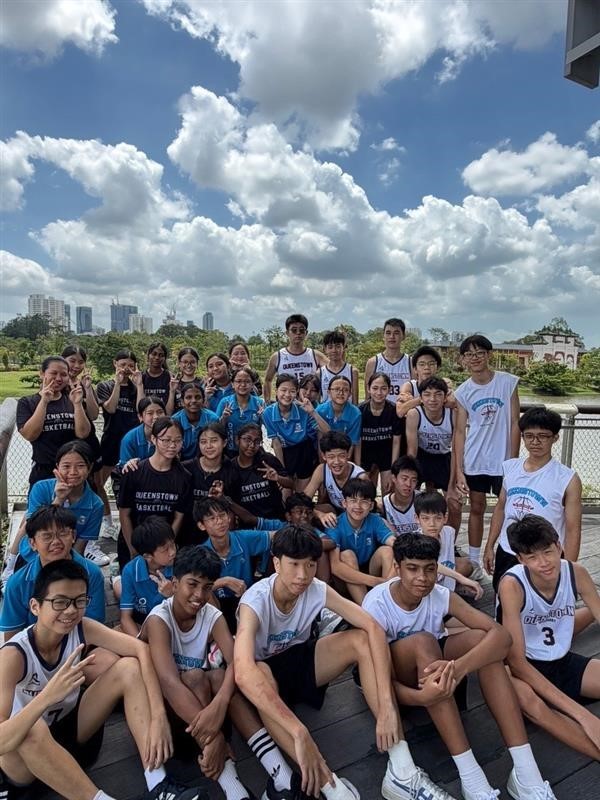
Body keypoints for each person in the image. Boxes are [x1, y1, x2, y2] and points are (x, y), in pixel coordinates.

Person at [234, 525, 454, 800]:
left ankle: (403, 769)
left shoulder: (315, 588)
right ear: (277, 563)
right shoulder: (255, 600)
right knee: (260, 672)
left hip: (299, 665)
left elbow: (373, 627)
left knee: (360, 639)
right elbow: (243, 673)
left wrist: (387, 704)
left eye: (310, 564)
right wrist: (298, 731)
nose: (303, 574)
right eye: (294, 564)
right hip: (261, 683)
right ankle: (334, 789)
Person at [363, 533, 557, 800]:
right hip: (395, 686)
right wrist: (421, 697)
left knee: (484, 643)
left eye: (429, 569)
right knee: (423, 641)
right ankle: (471, 776)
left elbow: (501, 636)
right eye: (412, 569)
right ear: (396, 568)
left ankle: (526, 772)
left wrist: (458, 669)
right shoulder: (376, 604)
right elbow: (375, 679)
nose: (422, 577)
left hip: (437, 672)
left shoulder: (440, 594)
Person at [0, 558, 204, 800]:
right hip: (24, 766)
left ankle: (158, 785)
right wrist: (46, 697)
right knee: (32, 727)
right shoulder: (14, 656)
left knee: (129, 667)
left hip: (72, 735)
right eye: (60, 602)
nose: (70, 610)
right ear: (35, 606)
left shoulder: (81, 628)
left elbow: (142, 649)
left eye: (79, 601)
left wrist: (158, 716)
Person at [141, 546, 296, 800]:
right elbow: (169, 683)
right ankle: (233, 788)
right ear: (175, 583)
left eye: (207, 587)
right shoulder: (159, 619)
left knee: (220, 677)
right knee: (195, 677)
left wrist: (221, 700)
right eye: (192, 584)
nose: (199, 595)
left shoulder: (211, 615)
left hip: (205, 716)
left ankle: (282, 777)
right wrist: (215, 738)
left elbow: (237, 662)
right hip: (167, 723)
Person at [497, 515, 600, 762]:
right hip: (525, 669)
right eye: (532, 557)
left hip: (561, 660)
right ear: (521, 559)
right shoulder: (512, 585)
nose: (543, 563)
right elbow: (517, 663)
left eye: (548, 552)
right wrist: (584, 716)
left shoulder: (576, 572)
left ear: (559, 545)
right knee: (533, 705)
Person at [483, 406, 582, 592]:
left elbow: (573, 529)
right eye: (529, 436)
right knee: (504, 600)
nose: (535, 442)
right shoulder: (510, 468)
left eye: (543, 436)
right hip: (509, 550)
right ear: (522, 437)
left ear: (555, 438)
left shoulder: (567, 479)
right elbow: (501, 508)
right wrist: (489, 546)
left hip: (544, 557)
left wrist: (568, 570)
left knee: (543, 603)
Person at [454, 335, 520, 569]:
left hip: (503, 460)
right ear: (463, 359)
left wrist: (513, 462)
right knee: (476, 508)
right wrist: (459, 470)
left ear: (489, 354)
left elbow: (515, 422)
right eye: (469, 354)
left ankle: (507, 555)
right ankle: (474, 560)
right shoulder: (463, 392)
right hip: (475, 459)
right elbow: (459, 431)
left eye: (480, 353)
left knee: (509, 509)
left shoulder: (507, 382)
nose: (475, 358)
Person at [0, 506, 105, 640]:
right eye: (47, 536)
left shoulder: (92, 574)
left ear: (73, 536)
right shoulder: (18, 583)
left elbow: (95, 626)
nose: (56, 542)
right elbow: (12, 636)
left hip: (80, 644)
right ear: (32, 543)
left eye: (63, 534)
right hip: (35, 647)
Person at [8, 441, 107, 571]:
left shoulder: (96, 505)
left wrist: (69, 571)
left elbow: (79, 547)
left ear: (90, 468)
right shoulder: (41, 488)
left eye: (80, 466)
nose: (73, 472)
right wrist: (59, 499)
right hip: (31, 555)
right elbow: (34, 527)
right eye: (66, 466)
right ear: (57, 467)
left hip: (64, 558)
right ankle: (9, 567)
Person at [117, 417, 191, 570]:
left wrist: (166, 549)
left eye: (177, 441)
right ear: (153, 439)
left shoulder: (184, 477)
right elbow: (124, 514)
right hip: (134, 544)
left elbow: (178, 517)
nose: (172, 445)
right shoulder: (134, 471)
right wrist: (133, 550)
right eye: (166, 440)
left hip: (165, 552)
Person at [194, 497, 274, 632]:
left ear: (229, 517)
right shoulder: (199, 554)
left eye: (222, 515)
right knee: (206, 595)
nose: (219, 521)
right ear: (202, 525)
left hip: (247, 601)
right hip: (216, 608)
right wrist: (224, 582)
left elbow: (276, 536)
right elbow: (195, 590)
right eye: (212, 518)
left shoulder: (242, 538)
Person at [17, 356, 92, 487]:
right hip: (44, 468)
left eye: (64, 374)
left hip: (72, 470)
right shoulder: (27, 402)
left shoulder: (72, 399)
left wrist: (78, 404)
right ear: (42, 373)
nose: (58, 378)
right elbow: (30, 435)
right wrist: (44, 401)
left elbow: (83, 433)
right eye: (54, 373)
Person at [96, 349, 145, 539]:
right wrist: (117, 383)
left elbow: (142, 411)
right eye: (123, 364)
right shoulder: (105, 385)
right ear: (115, 364)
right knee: (98, 482)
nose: (126, 369)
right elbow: (110, 408)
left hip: (131, 442)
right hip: (111, 439)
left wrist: (139, 385)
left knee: (131, 482)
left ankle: (132, 522)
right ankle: (107, 522)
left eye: (130, 366)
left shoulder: (136, 387)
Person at [325, 479, 395, 603]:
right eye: (353, 500)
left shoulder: (375, 520)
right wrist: (374, 581)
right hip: (345, 578)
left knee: (388, 550)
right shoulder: (335, 524)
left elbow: (392, 541)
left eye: (364, 501)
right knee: (347, 555)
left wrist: (386, 580)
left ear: (371, 505)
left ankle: (387, 600)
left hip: (370, 569)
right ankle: (366, 608)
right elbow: (335, 566)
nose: (358, 506)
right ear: (344, 503)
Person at [405, 377, 460, 533]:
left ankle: (451, 541)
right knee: (410, 497)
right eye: (427, 394)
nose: (432, 399)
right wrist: (409, 479)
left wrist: (452, 486)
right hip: (422, 457)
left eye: (438, 394)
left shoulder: (453, 414)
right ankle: (415, 536)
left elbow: (456, 450)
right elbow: (412, 451)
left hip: (444, 457)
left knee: (454, 504)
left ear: (445, 397)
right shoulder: (414, 414)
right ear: (421, 398)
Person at [262, 374, 329, 492]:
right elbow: (276, 443)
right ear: (276, 390)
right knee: (286, 495)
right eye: (283, 390)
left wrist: (312, 412)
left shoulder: (303, 409)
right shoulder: (268, 413)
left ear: (296, 392)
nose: (287, 395)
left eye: (292, 391)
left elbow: (327, 432)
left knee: (301, 494)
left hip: (304, 452)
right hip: (285, 452)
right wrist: (282, 471)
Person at [413, 493, 482, 596]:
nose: (432, 524)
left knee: (466, 565)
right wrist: (461, 579)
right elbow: (432, 565)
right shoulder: (415, 541)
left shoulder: (449, 532)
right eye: (425, 518)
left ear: (445, 518)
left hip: (444, 581)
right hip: (424, 587)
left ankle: (454, 588)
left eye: (438, 518)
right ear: (417, 518)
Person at [119, 517, 177, 637]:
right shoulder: (130, 571)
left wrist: (171, 595)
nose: (173, 552)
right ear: (147, 556)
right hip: (143, 621)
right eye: (165, 549)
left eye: (173, 545)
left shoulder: (179, 565)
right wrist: (140, 643)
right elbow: (125, 618)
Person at [301, 431, 367, 528]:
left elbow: (365, 506)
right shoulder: (322, 470)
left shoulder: (360, 476)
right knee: (304, 513)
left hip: (355, 514)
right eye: (331, 457)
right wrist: (320, 514)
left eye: (341, 456)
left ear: (348, 454)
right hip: (334, 510)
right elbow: (302, 500)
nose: (336, 462)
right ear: (324, 456)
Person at [228, 423, 293, 520]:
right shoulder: (230, 467)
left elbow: (291, 483)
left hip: (274, 519)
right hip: (248, 522)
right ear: (237, 440)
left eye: (257, 441)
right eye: (247, 440)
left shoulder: (267, 460)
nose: (252, 445)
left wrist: (278, 478)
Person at [355, 372, 402, 494]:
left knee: (388, 489)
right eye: (375, 388)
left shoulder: (394, 410)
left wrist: (393, 470)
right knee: (365, 491)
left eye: (383, 388)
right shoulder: (360, 411)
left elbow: (396, 442)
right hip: (366, 454)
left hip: (386, 454)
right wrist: (358, 468)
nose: (379, 392)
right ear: (368, 389)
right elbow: (357, 441)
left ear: (389, 390)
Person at [263, 314, 326, 403]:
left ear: (306, 333)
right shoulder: (277, 356)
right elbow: (267, 380)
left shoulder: (315, 355)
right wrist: (267, 402)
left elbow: (334, 369)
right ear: (287, 333)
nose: (298, 333)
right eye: (294, 330)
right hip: (286, 404)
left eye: (302, 330)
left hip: (309, 404)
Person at [217, 367, 265, 455]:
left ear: (253, 384)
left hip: (252, 450)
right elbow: (216, 429)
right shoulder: (225, 402)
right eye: (238, 381)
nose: (243, 385)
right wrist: (224, 418)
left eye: (247, 381)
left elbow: (269, 429)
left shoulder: (260, 403)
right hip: (229, 451)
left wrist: (264, 417)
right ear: (232, 384)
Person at [363, 318, 412, 402]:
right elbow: (368, 397)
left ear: (403, 336)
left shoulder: (410, 362)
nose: (392, 337)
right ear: (383, 336)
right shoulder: (373, 362)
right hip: (380, 410)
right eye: (388, 333)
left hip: (404, 409)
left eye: (396, 333)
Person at [315, 376, 361, 460]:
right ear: (329, 392)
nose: (341, 393)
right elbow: (320, 440)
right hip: (325, 454)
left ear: (350, 394)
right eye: (336, 389)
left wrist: (344, 463)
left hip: (344, 455)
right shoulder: (320, 411)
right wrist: (323, 464)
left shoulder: (355, 414)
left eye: (345, 390)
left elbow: (352, 443)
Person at [173, 383, 219, 460]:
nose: (193, 400)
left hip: (207, 461)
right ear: (182, 402)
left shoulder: (212, 419)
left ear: (203, 400)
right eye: (188, 397)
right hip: (181, 463)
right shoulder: (175, 421)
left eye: (198, 397)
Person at [118, 396, 166, 466]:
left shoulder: (171, 434)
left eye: (160, 412)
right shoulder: (130, 439)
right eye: (150, 413)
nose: (156, 416)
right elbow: (124, 467)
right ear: (140, 417)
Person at [380, 456, 421, 536]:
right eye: (404, 479)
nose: (408, 484)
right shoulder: (385, 505)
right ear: (394, 478)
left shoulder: (422, 500)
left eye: (413, 480)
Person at [318, 330, 359, 404]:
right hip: (325, 411)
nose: (334, 350)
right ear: (325, 349)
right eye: (330, 347)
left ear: (344, 348)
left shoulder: (352, 371)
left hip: (347, 411)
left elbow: (355, 402)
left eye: (338, 346)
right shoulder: (319, 373)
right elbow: (318, 401)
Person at [142, 342, 173, 412]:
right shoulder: (141, 377)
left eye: (161, 355)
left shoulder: (170, 377)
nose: (157, 358)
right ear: (148, 355)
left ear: (165, 358)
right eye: (154, 354)